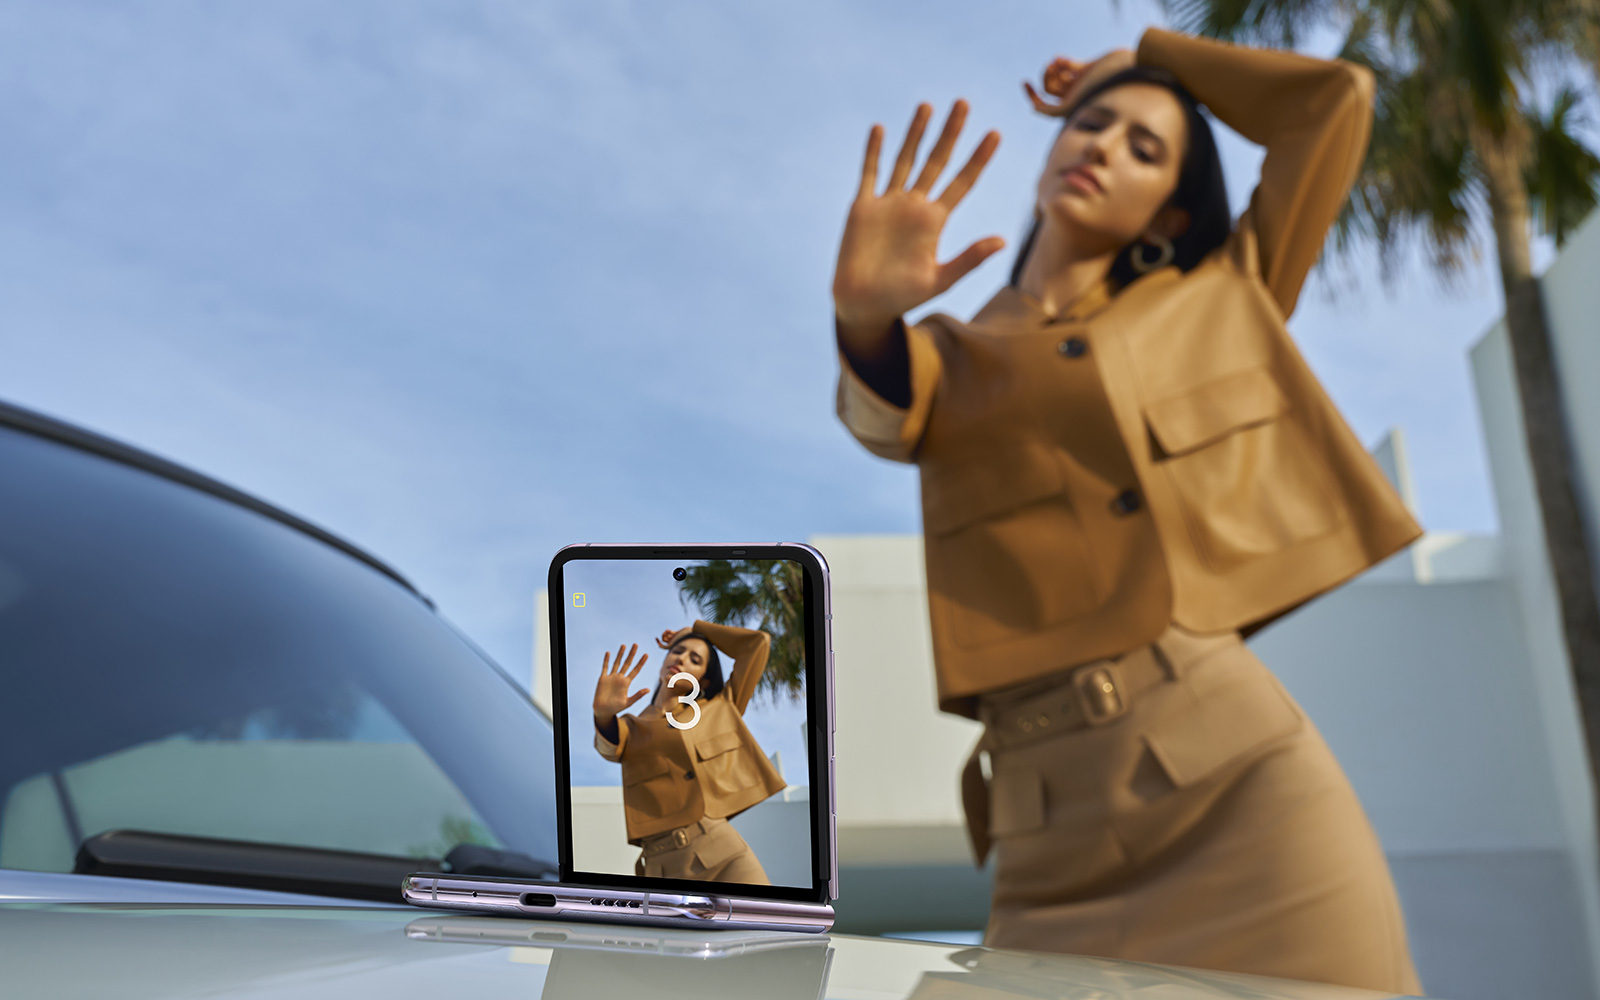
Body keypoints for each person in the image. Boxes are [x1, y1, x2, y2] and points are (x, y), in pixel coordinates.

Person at [832, 26, 1424, 994]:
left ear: (1169, 210)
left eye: (1144, 148)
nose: (1100, 145)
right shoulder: (951, 352)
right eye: (1091, 124)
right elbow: (884, 416)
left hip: (1239, 789)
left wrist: (1142, 60)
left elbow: (1337, 101)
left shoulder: (1224, 292)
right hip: (1040, 832)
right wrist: (862, 318)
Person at [592, 621, 785, 884]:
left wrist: (696, 630)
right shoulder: (630, 727)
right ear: (664, 661)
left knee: (764, 926)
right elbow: (609, 749)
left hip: (726, 855)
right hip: (660, 867)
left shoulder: (722, 707)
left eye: (694, 659)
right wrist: (603, 716)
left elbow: (758, 643)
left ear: (703, 680)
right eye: (677, 651)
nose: (681, 658)